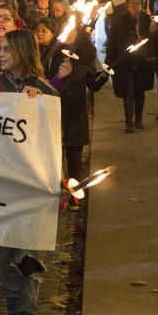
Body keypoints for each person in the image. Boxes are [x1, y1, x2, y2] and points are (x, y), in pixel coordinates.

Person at [0, 29, 58, 315]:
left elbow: (52, 140)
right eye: (0, 49)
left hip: (32, 187)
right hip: (0, 183)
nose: (1, 54)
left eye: (7, 49)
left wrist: (36, 107)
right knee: (7, 253)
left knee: (28, 256)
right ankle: (14, 311)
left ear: (23, 52)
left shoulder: (46, 93)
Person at [50, 19, 96, 210]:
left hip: (76, 114)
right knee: (55, 160)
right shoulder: (54, 55)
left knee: (75, 161)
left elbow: (93, 84)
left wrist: (104, 75)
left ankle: (75, 196)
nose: (68, 34)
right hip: (57, 113)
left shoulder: (85, 59)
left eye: (72, 31)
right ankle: (59, 196)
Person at [106, 0, 156, 132]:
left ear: (142, 4)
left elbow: (153, 42)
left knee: (140, 90)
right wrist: (109, 62)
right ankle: (129, 121)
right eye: (132, 3)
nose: (135, 6)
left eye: (138, 3)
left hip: (142, 62)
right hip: (126, 62)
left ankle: (138, 118)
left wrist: (153, 32)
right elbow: (112, 42)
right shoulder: (119, 21)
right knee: (128, 92)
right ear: (127, 5)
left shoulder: (147, 19)